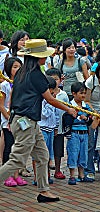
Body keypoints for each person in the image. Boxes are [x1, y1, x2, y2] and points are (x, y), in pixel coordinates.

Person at [0, 39, 77, 203]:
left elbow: (15, 97)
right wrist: (69, 109)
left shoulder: (22, 72)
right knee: (17, 159)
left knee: (42, 156)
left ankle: (44, 190)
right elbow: (49, 99)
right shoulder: (36, 75)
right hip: (25, 122)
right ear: (38, 57)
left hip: (26, 121)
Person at [0, 57, 27, 187]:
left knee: (18, 148)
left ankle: (16, 175)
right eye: (15, 67)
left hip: (20, 119)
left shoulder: (21, 83)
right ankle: (7, 176)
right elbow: (1, 105)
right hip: (8, 120)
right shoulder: (4, 85)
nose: (18, 69)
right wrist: (8, 119)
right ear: (8, 69)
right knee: (9, 147)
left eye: (19, 66)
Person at [64, 82, 95, 185]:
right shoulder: (69, 105)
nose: (83, 95)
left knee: (83, 153)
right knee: (73, 153)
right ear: (74, 93)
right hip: (74, 133)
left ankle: (81, 175)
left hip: (85, 133)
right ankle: (72, 176)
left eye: (84, 93)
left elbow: (90, 119)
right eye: (81, 93)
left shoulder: (86, 106)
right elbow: (66, 119)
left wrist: (86, 118)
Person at [33, 76, 59, 186]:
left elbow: (56, 114)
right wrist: (49, 103)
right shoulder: (42, 100)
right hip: (42, 129)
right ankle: (37, 177)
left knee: (48, 153)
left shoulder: (53, 100)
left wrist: (56, 126)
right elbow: (44, 114)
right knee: (39, 154)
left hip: (51, 129)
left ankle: (46, 175)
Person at [45, 68, 69, 180]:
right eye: (51, 79)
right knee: (46, 150)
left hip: (59, 127)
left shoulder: (63, 94)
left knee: (58, 149)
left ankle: (58, 170)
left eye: (56, 79)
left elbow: (67, 110)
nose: (54, 81)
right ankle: (47, 172)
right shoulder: (44, 94)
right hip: (47, 127)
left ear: (61, 80)